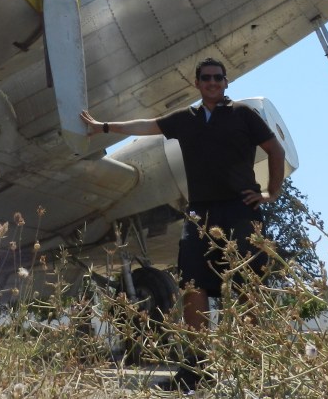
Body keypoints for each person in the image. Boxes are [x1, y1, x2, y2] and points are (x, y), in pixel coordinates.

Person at [81, 57, 286, 391]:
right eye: (206, 78)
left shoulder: (243, 115)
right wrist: (104, 127)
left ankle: (253, 368)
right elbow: (147, 125)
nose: (212, 83)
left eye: (218, 78)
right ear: (197, 83)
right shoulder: (186, 120)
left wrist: (270, 193)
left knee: (248, 285)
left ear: (226, 82)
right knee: (192, 285)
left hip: (240, 210)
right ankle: (195, 370)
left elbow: (274, 151)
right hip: (199, 212)